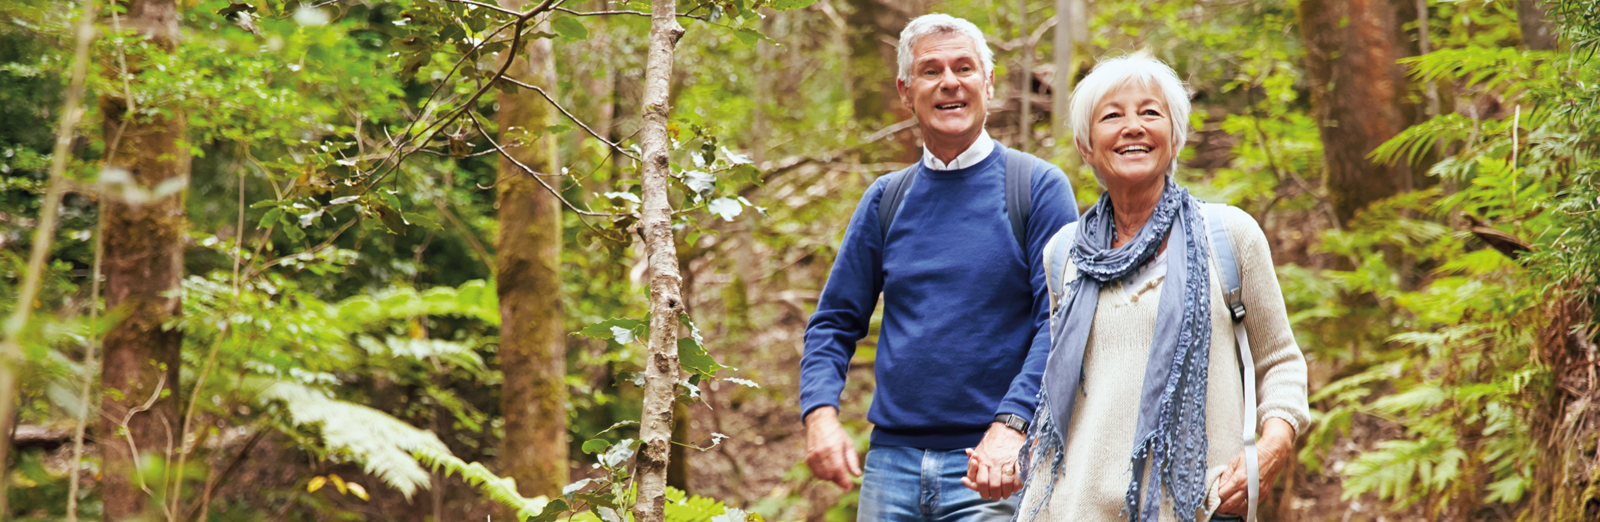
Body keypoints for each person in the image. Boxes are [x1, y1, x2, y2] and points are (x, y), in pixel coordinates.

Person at [797, 13, 1080, 522]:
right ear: (906, 91)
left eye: (964, 68)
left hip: (993, 467)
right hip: (890, 468)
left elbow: (1061, 323)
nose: (950, 82)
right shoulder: (886, 198)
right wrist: (819, 415)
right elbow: (833, 322)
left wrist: (1011, 425)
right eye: (931, 71)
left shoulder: (1035, 187)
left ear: (988, 85)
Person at [1013, 54, 1310, 522]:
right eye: (1112, 115)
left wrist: (1271, 447)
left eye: (1150, 113)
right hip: (1074, 506)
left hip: (1196, 505)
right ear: (1086, 145)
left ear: (1175, 136)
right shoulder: (1063, 253)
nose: (1133, 126)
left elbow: (1280, 362)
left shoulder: (1229, 236)